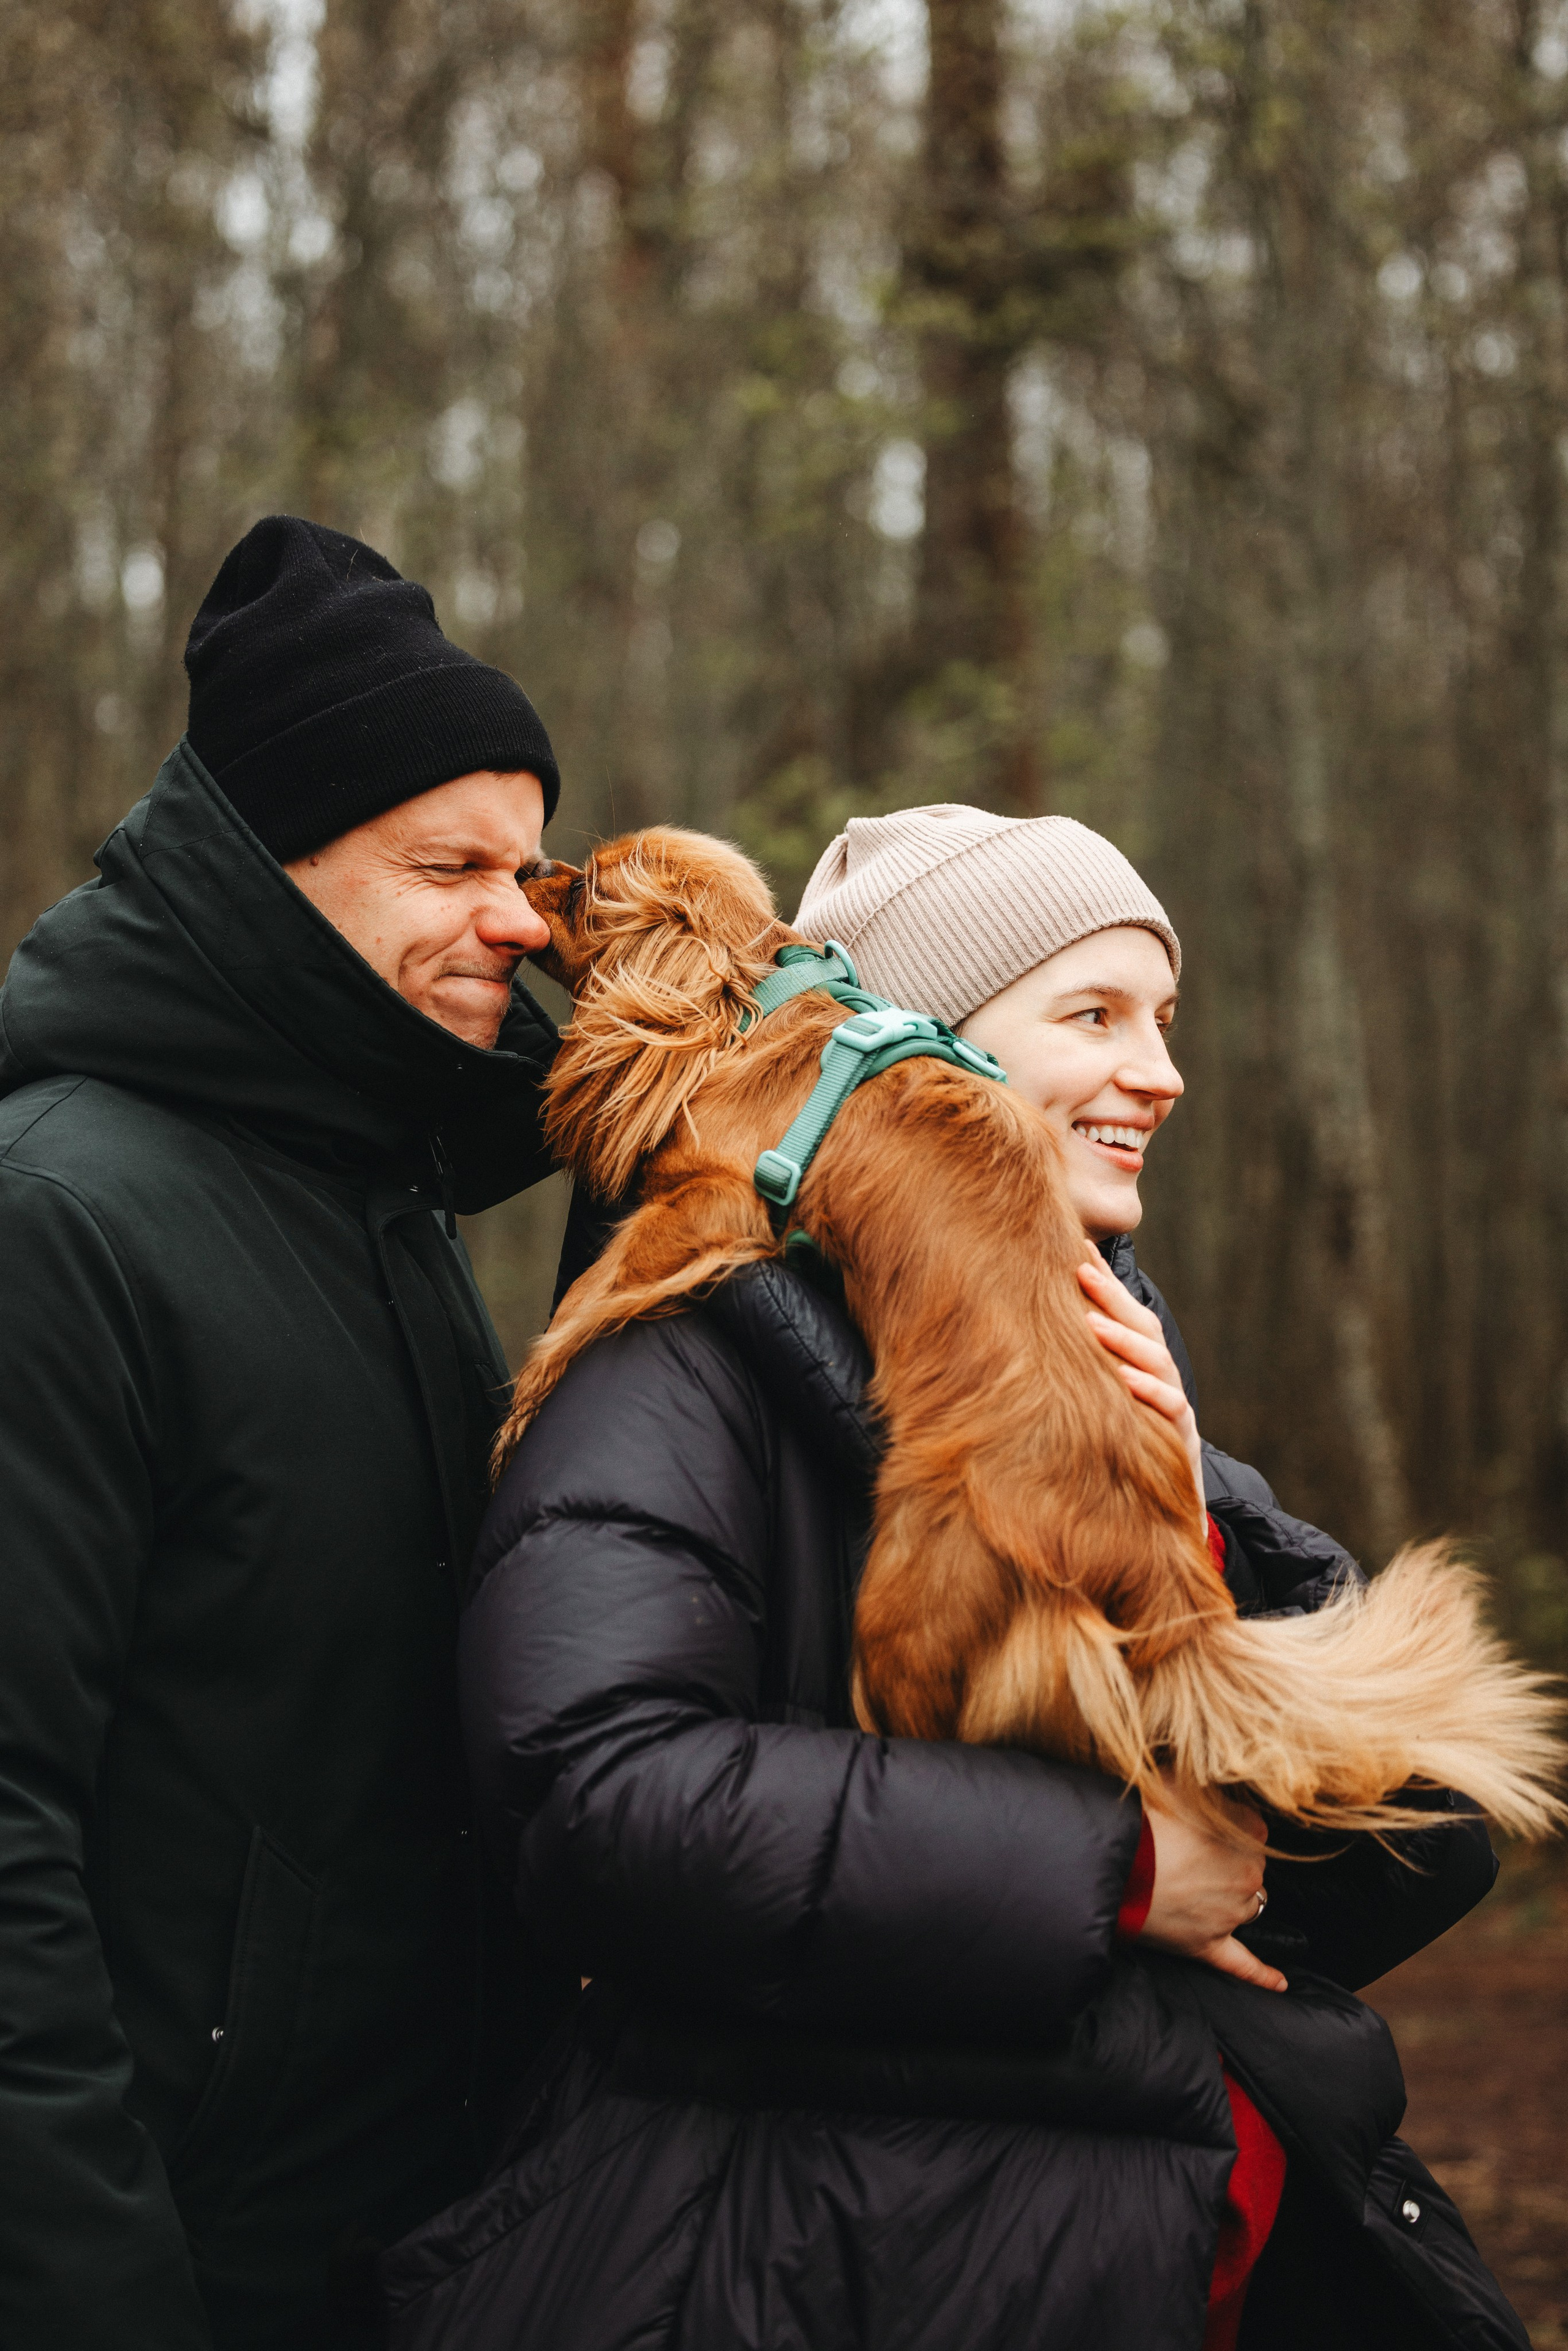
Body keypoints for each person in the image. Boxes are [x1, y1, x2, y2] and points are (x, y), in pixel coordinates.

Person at [381, 805, 1524, 2350]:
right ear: (919, 1041)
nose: (1160, 1072)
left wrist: (1206, 1501)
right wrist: (1107, 1866)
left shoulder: (1101, 1368)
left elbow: (1418, 1834)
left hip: (1185, 2250)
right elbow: (597, 1798)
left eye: (1162, 1020)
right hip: (824, 2269)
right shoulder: (690, 1353)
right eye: (1093, 1015)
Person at [0, 515, 568, 2350]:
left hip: (407, 2245)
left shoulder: (385, 1194)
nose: (520, 915)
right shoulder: (58, 1219)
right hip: (177, 2255)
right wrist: (93, 2290)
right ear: (269, 865)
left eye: (531, 866)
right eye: (449, 863)